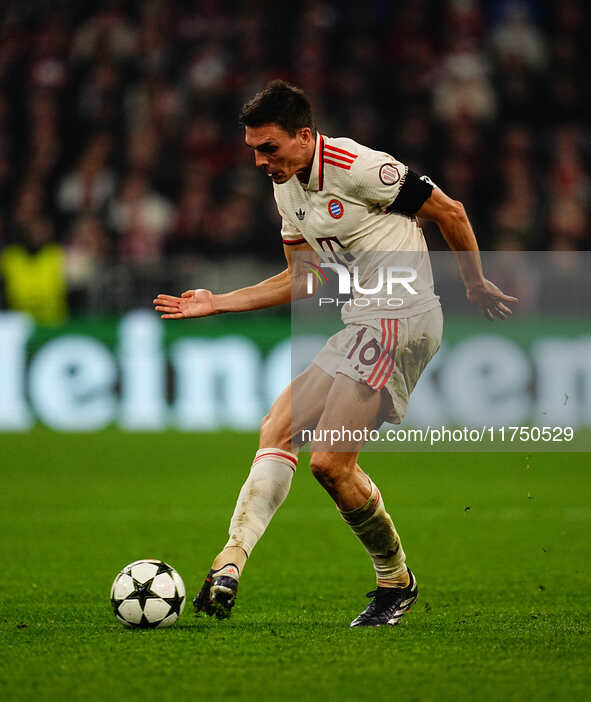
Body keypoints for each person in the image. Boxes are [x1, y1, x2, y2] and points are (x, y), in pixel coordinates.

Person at [153, 80, 518, 627]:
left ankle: (395, 582)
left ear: (304, 136)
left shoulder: (360, 167)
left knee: (329, 461)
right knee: (278, 427)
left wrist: (474, 283)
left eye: (269, 147)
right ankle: (231, 560)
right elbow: (303, 279)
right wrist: (219, 303)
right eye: (253, 149)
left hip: (402, 314)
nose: (259, 161)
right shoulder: (285, 191)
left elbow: (452, 213)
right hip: (362, 322)